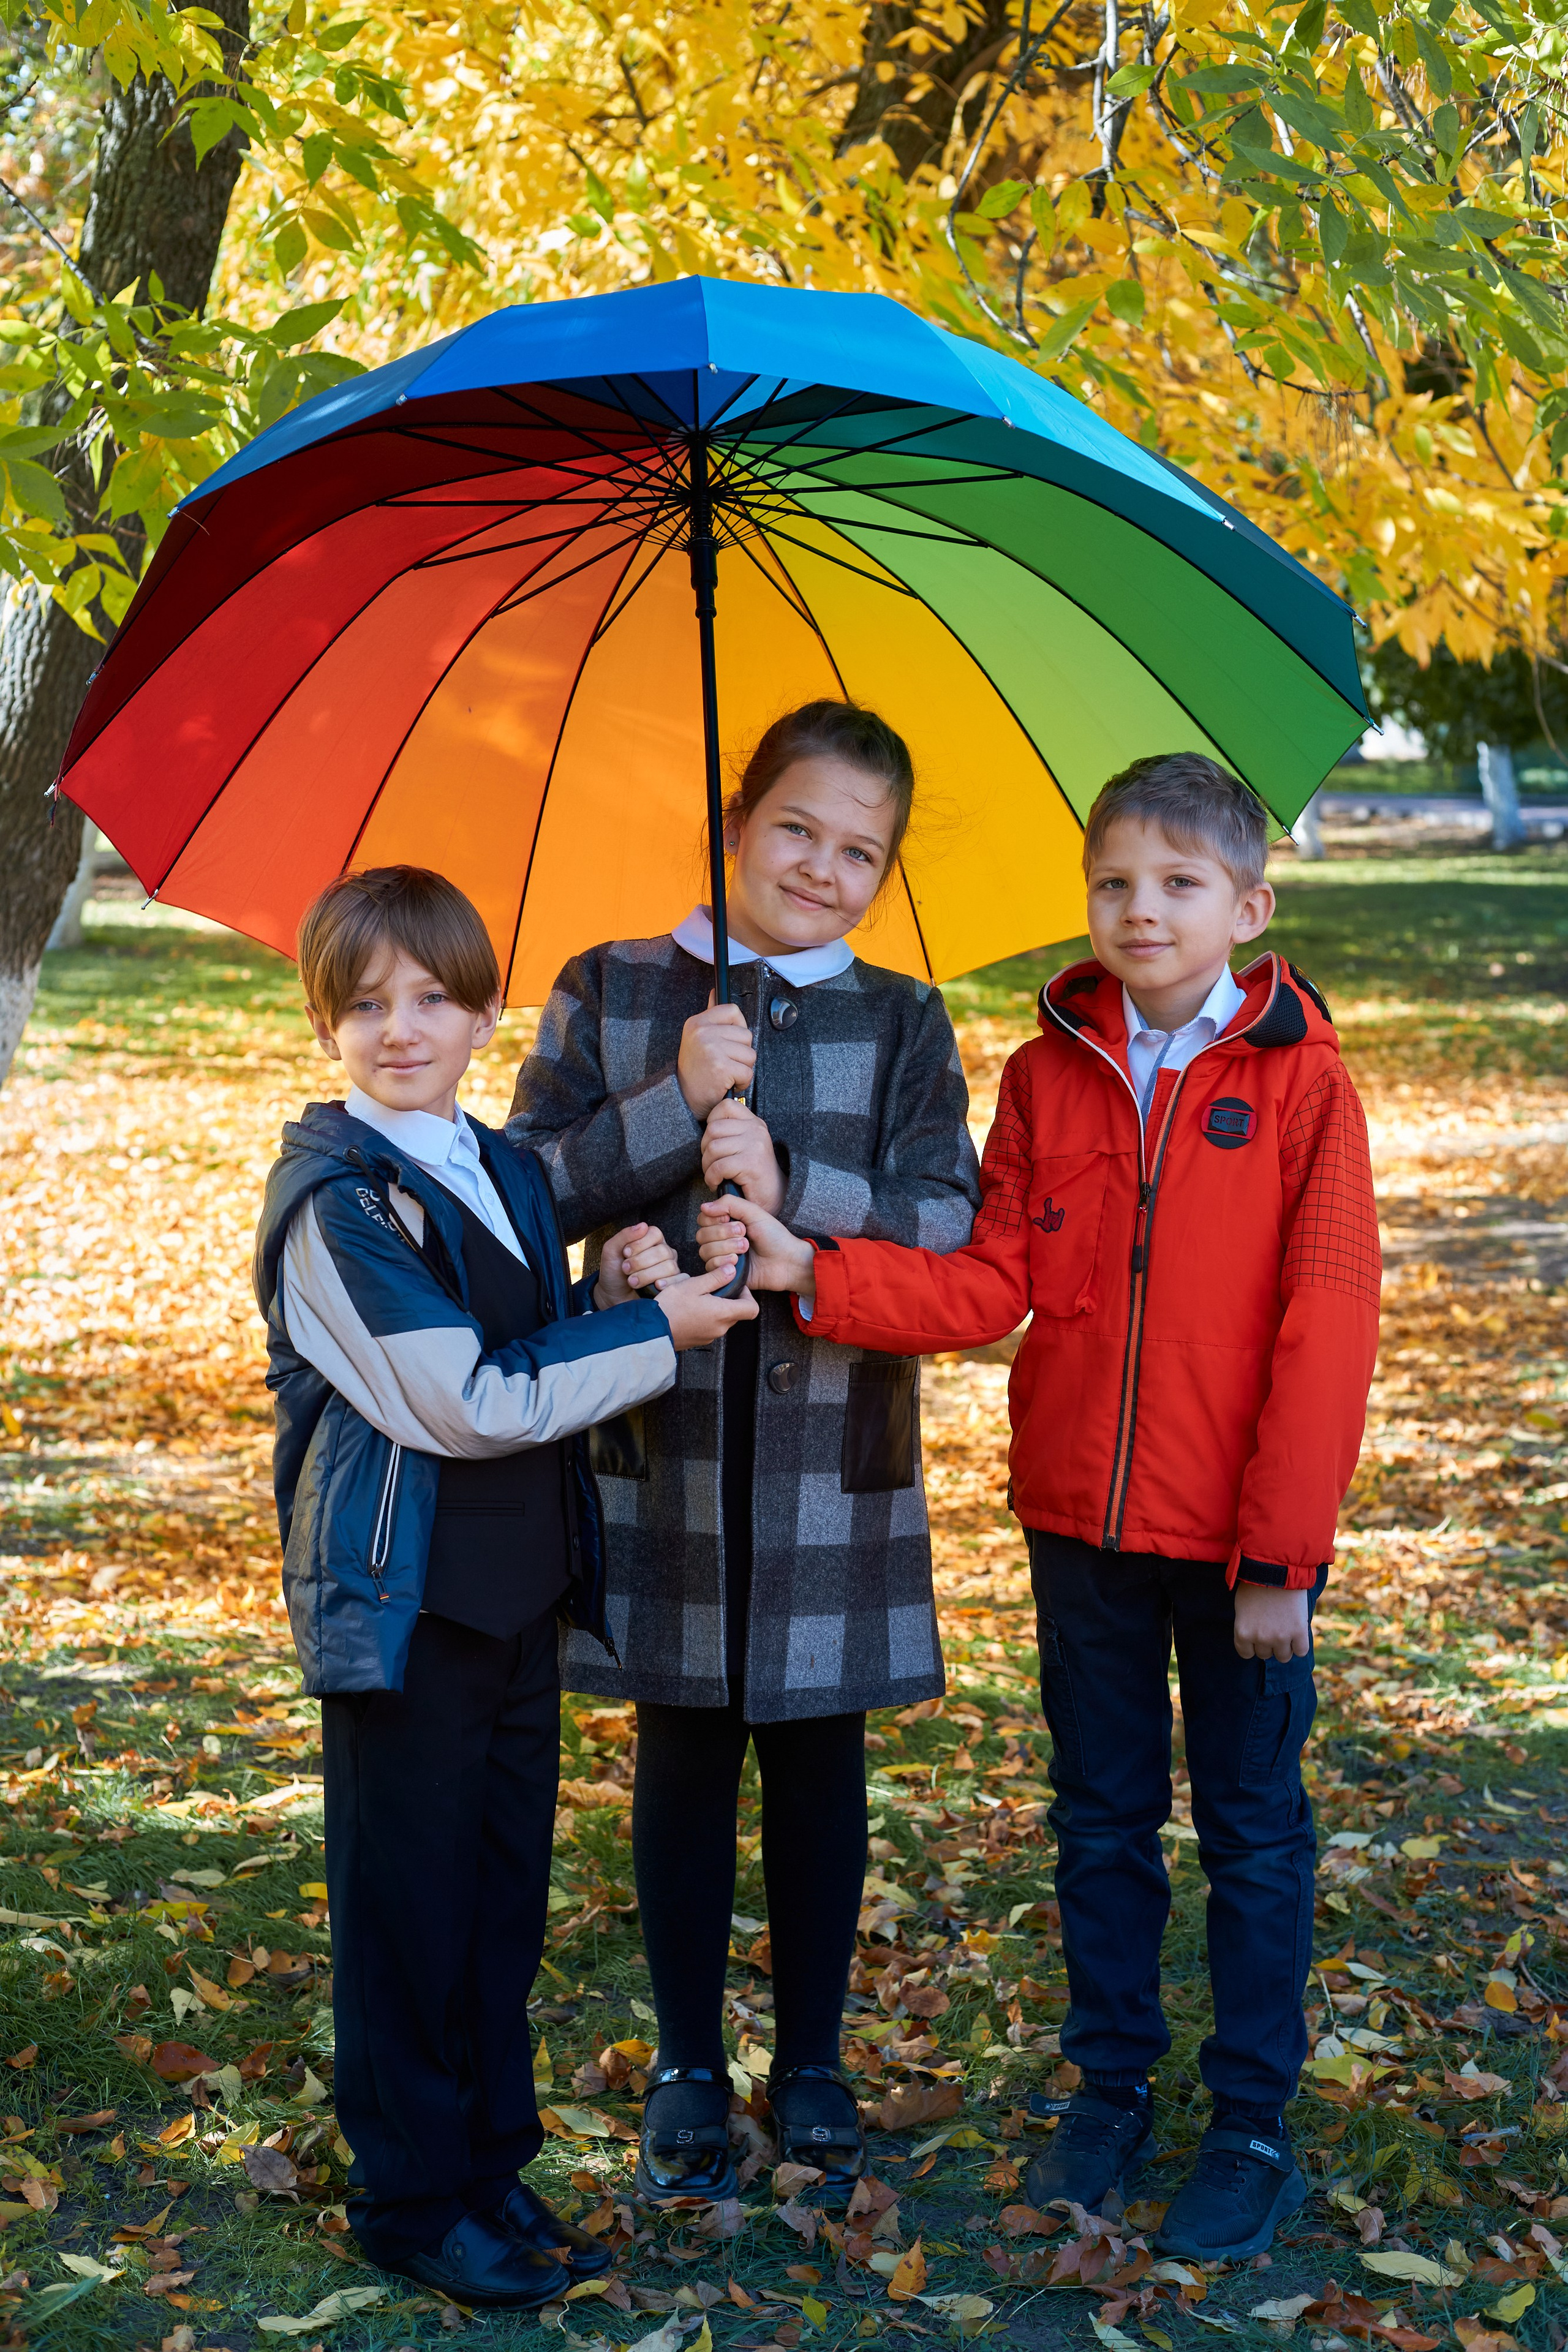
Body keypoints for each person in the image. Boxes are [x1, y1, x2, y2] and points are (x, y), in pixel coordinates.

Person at [697, 754, 1381, 2261]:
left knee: (1253, 1833)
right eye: (1114, 884)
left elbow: (1324, 1323)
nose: (1141, 911)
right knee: (1100, 1823)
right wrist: (817, 1269)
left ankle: (1250, 2115)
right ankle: (1110, 2083)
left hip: (1239, 1547)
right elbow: (993, 1280)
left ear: (1246, 907)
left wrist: (1281, 1556)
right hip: (1079, 1525)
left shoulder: (1302, 1086)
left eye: (1178, 884)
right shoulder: (1046, 1071)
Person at [252, 865, 755, 2307]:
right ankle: (411, 2198)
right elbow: (458, 1397)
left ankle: (486, 2161)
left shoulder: (507, 1171)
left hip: (516, 1592)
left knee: (496, 1900)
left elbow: (534, 1340)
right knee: (405, 1909)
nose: (397, 1029)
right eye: (362, 1006)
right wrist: (659, 1331)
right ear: (326, 1026)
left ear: (484, 1011)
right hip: (404, 1604)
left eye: (429, 999)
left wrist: (616, 1288)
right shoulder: (331, 1201)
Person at [507, 701, 981, 2207]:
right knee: (685, 1749)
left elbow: (948, 1219)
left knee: (818, 1754)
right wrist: (668, 1114)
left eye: (861, 851)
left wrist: (795, 1182)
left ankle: (818, 2054)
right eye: (796, 828)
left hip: (835, 1449)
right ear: (735, 813)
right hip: (669, 1446)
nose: (823, 868)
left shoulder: (900, 1023)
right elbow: (521, 1197)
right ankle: (686, 2059)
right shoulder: (615, 988)